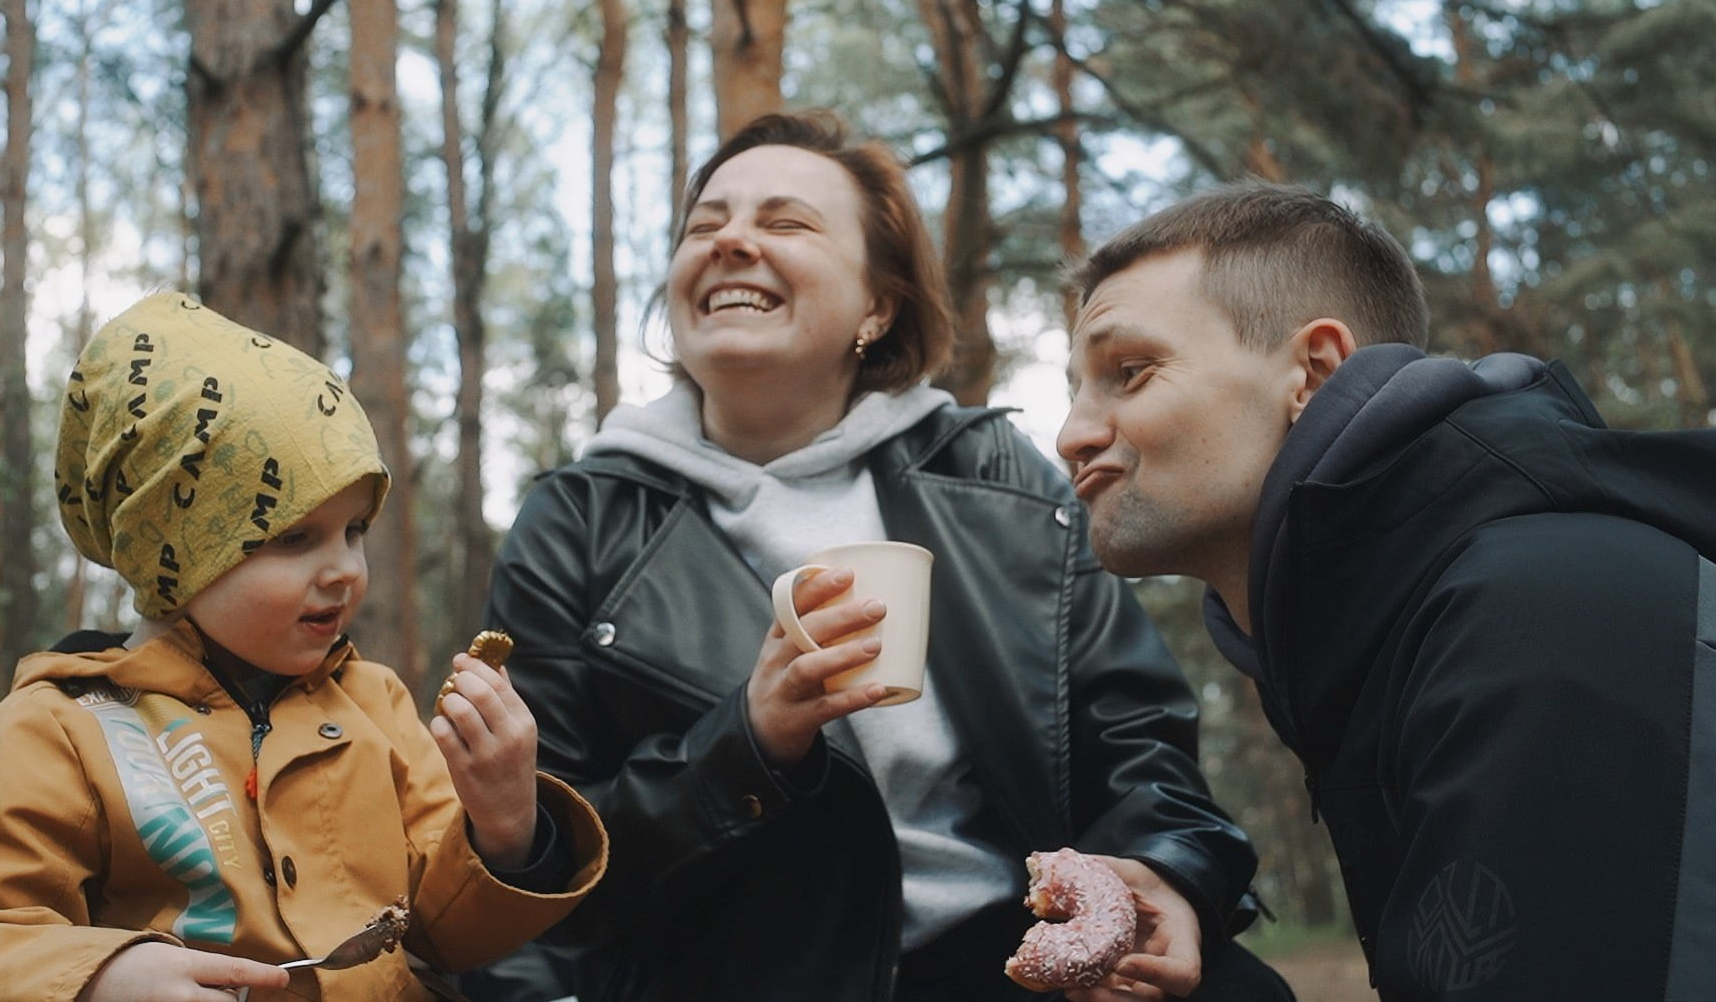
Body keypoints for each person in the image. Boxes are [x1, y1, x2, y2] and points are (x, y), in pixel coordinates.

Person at [464, 111, 1293, 1002]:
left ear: (877, 304)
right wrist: (749, 742)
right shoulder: (578, 519)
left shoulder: (990, 471)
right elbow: (549, 856)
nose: (732, 240)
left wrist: (1161, 871)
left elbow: (1136, 741)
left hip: (1010, 959)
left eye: (784, 222)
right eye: (706, 224)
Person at [1054, 181, 1716, 1000]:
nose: (1071, 436)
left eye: (1129, 372)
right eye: (1074, 390)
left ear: (1313, 370)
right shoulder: (1385, 627)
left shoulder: (1538, 617)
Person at [0, 294, 608, 1001]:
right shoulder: (68, 724)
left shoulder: (373, 705)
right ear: (174, 542)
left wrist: (506, 827)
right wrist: (100, 976)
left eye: (355, 530)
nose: (346, 570)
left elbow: (449, 937)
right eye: (294, 538)